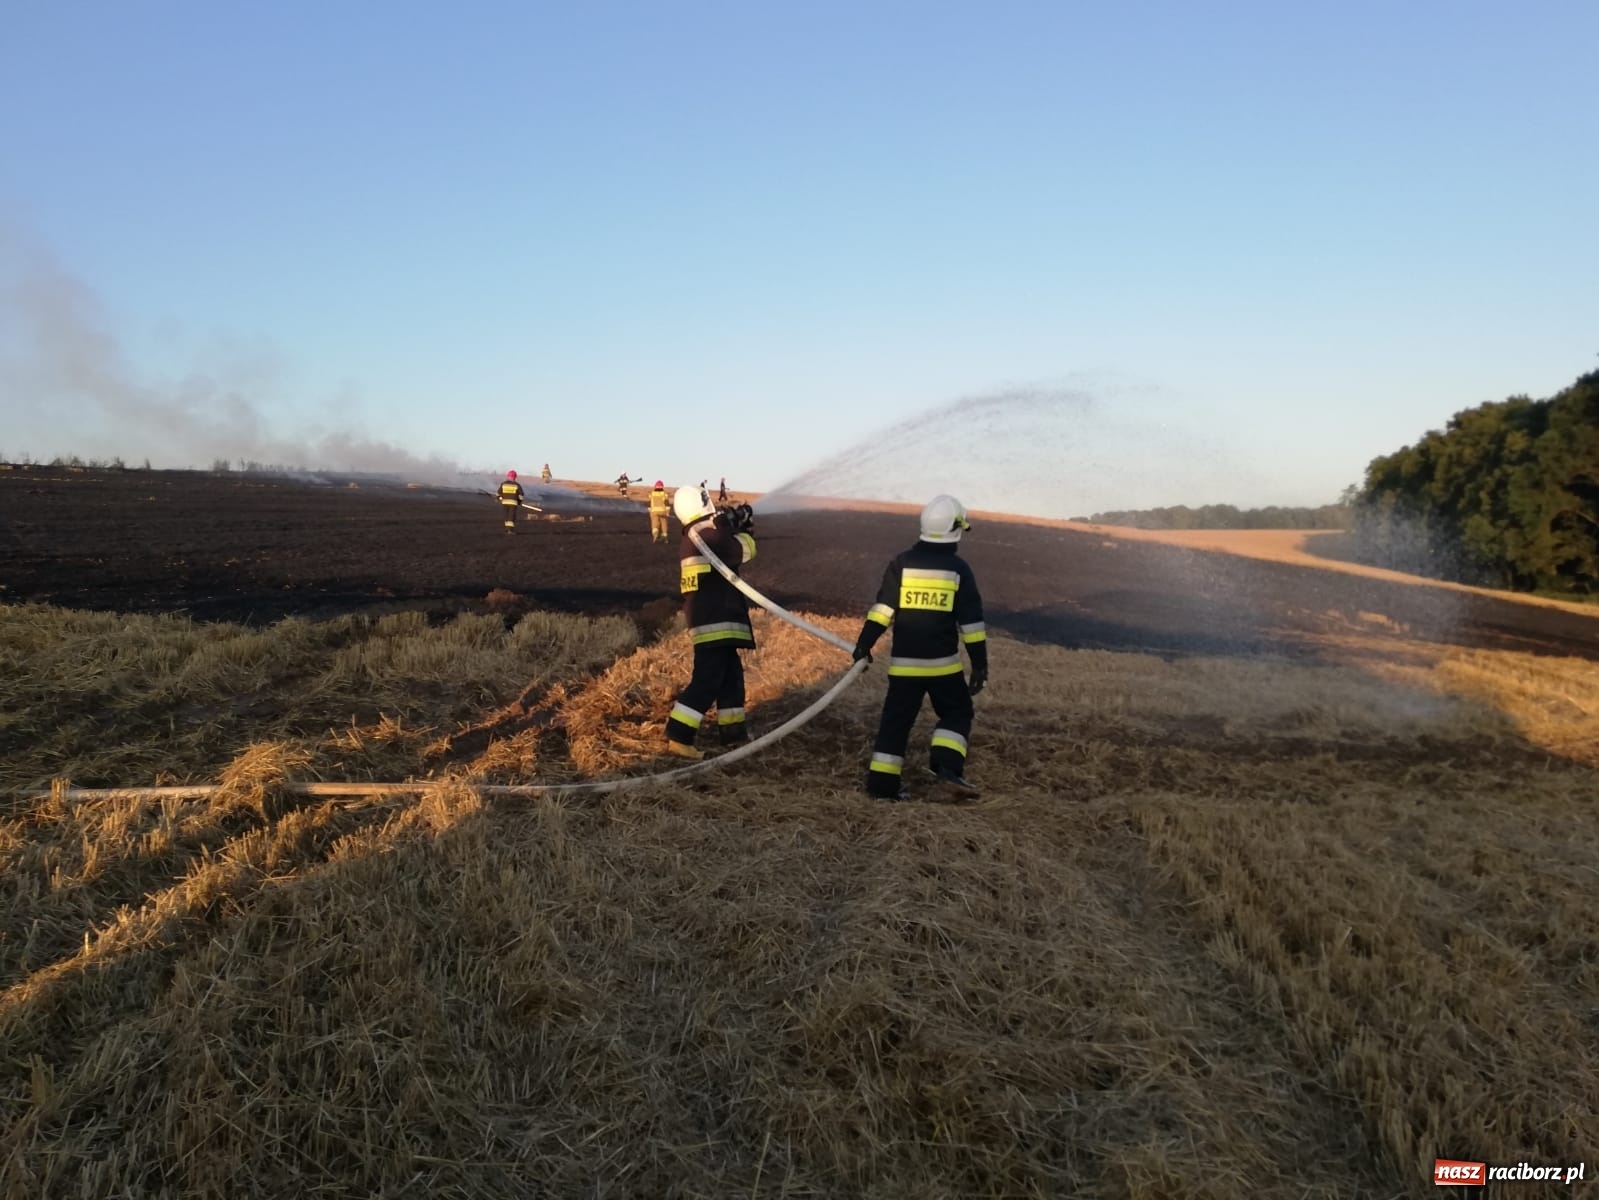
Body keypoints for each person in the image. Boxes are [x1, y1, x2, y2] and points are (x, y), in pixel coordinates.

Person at [850, 494, 988, 801]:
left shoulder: (902, 563)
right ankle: (947, 769)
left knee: (895, 722)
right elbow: (972, 627)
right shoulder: (958, 570)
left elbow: (882, 611)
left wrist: (864, 644)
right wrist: (980, 665)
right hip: (943, 666)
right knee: (957, 711)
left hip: (904, 665)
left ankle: (881, 787)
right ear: (955, 529)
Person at [664, 486, 759, 759]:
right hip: (716, 620)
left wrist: (730, 524)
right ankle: (679, 735)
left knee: (731, 680)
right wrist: (744, 529)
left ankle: (733, 734)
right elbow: (745, 551)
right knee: (707, 681)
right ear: (703, 503)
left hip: (713, 619)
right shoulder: (705, 534)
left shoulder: (698, 534)